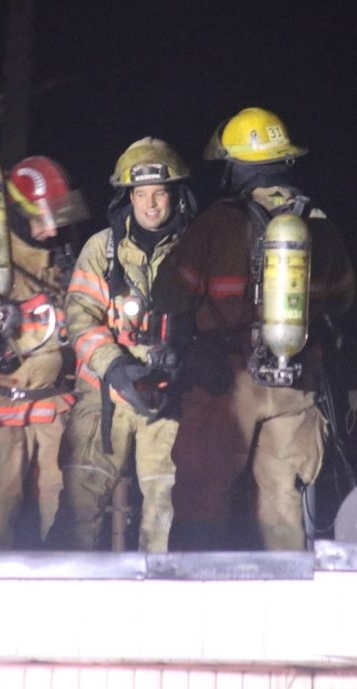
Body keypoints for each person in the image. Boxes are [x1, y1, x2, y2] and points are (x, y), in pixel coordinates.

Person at [152, 107, 355, 551]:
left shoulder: (216, 224)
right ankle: (285, 590)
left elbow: (168, 295)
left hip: (228, 382)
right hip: (296, 380)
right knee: (282, 501)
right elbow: (342, 299)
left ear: (236, 168)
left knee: (204, 496)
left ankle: (194, 582)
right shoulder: (319, 224)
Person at [47, 138, 197, 552]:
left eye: (159, 194)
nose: (151, 205)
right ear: (128, 197)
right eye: (141, 194)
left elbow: (208, 319)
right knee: (79, 506)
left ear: (174, 196)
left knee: (166, 511)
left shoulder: (194, 248)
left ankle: (160, 587)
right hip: (105, 396)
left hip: (166, 397)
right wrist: (114, 367)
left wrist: (185, 357)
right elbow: (80, 318)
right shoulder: (102, 249)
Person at [0, 156, 88, 550]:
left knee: (70, 517)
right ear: (19, 213)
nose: (53, 228)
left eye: (58, 217)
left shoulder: (65, 254)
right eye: (43, 218)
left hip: (56, 408)